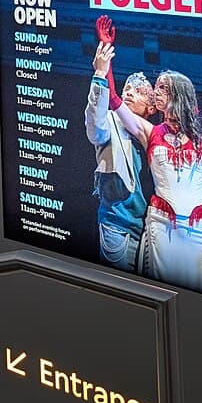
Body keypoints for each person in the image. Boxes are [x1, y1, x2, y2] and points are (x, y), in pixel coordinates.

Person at [92, 16, 202, 296]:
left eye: (161, 88)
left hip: (201, 231)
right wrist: (106, 51)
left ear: (179, 95)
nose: (155, 93)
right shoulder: (151, 132)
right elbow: (113, 101)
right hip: (161, 227)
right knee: (162, 296)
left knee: (201, 298)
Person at [83, 31, 154, 273]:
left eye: (139, 90)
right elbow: (96, 127)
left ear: (153, 107)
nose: (130, 92)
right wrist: (100, 74)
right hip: (119, 226)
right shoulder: (111, 121)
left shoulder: (155, 135)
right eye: (127, 88)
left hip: (152, 231)